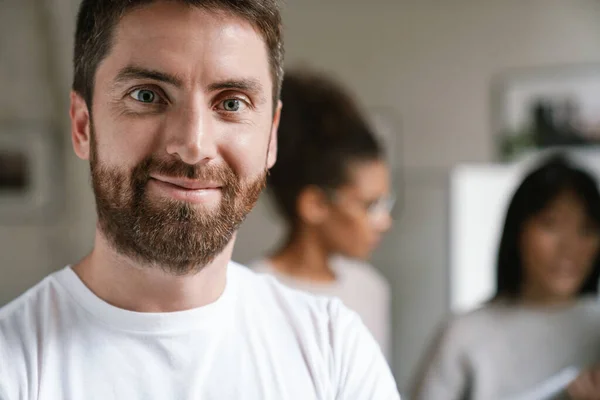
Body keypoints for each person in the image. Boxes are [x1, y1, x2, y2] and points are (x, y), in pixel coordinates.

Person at [0, 1, 400, 399]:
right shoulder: (13, 364)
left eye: (231, 103)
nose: (193, 145)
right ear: (83, 125)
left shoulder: (333, 351)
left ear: (271, 136)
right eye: (147, 95)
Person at [411, 155, 600, 400]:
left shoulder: (595, 329)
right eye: (551, 225)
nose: (569, 247)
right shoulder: (464, 334)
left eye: (586, 229)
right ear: (519, 231)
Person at [251, 69, 394, 360]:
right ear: (314, 205)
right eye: (369, 206)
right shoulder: (250, 296)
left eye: (385, 204)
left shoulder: (371, 290)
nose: (384, 222)